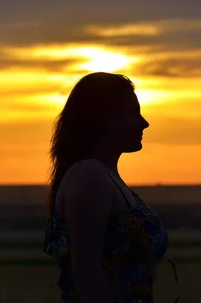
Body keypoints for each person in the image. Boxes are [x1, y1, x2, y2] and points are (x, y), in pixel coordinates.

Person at [43, 72, 170, 303]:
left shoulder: (105, 177)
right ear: (104, 118)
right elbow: (87, 272)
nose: (145, 123)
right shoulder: (89, 176)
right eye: (133, 114)